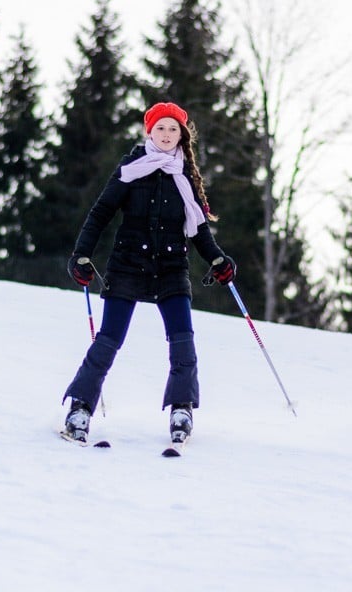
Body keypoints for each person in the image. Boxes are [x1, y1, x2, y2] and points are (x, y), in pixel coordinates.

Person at [61, 101, 236, 445]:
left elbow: (199, 231)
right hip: (127, 265)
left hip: (170, 268)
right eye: (161, 128)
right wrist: (80, 255)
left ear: (181, 135)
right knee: (108, 340)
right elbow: (101, 213)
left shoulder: (185, 176)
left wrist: (217, 260)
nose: (167, 134)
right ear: (149, 132)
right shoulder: (131, 168)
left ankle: (181, 409)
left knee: (183, 341)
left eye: (173, 129)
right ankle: (80, 408)